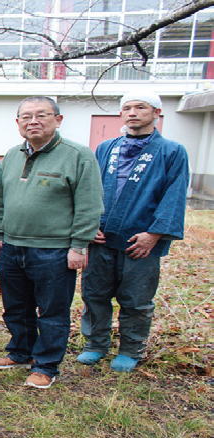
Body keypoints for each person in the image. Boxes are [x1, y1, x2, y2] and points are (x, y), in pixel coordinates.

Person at [0, 96, 103, 389]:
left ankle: (46, 365)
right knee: (16, 306)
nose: (32, 121)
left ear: (58, 119)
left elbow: (89, 203)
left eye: (41, 115)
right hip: (12, 246)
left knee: (51, 311)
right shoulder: (12, 155)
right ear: (17, 123)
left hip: (55, 249)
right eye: (26, 116)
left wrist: (79, 245)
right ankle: (20, 352)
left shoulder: (78, 154)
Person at [78, 92, 189, 372]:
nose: (132, 113)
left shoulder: (172, 151)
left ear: (157, 112)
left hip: (140, 240)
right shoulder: (106, 148)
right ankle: (95, 344)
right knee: (95, 294)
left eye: (141, 107)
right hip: (102, 237)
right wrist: (89, 225)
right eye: (127, 108)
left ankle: (130, 348)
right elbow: (89, 190)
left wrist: (154, 235)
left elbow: (174, 195)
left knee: (136, 299)